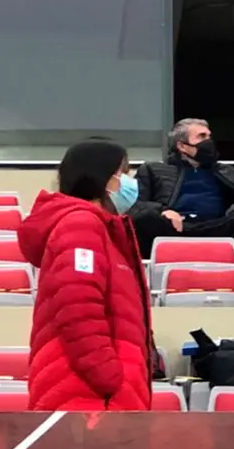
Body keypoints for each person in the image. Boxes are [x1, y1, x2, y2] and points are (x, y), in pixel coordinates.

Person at [17, 138, 153, 411]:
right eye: (123, 173)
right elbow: (77, 306)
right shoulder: (81, 225)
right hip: (91, 397)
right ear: (104, 177)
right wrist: (110, 378)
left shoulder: (101, 228)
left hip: (96, 395)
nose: (129, 182)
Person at [128, 118, 234, 262]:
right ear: (182, 146)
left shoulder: (227, 172)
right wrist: (161, 211)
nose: (208, 141)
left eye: (209, 137)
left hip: (215, 227)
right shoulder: (153, 170)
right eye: (202, 137)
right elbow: (134, 205)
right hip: (174, 228)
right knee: (147, 220)